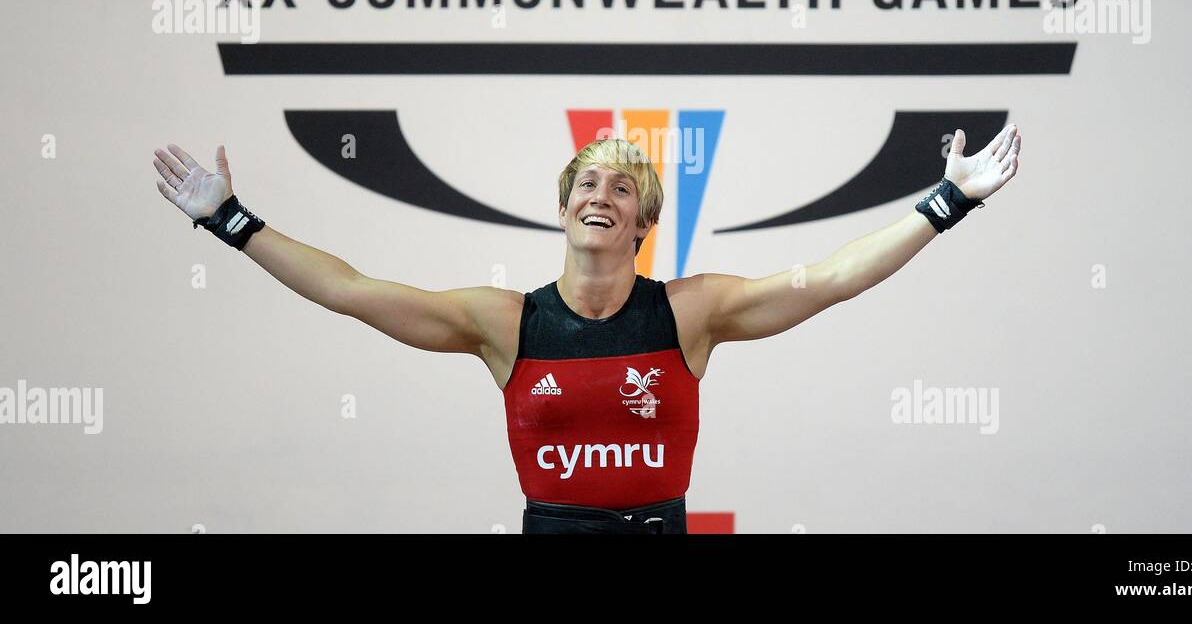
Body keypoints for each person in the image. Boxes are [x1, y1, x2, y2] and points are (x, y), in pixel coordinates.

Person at [152, 125, 1021, 533]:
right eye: (585, 185)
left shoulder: (691, 312)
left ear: (644, 220)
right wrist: (229, 218)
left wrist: (948, 202)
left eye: (620, 189)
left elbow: (833, 279)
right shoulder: (504, 322)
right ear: (563, 209)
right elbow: (349, 289)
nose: (599, 196)